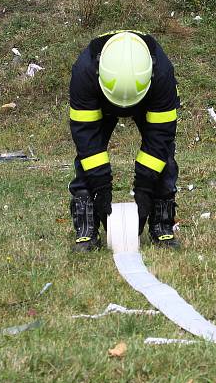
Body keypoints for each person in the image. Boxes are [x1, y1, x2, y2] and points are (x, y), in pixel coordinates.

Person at [68, 30, 180, 251]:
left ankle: (161, 224)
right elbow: (87, 140)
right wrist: (102, 190)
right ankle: (86, 226)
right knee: (87, 159)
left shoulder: (163, 75)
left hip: (147, 98)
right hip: (100, 98)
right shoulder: (84, 73)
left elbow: (160, 138)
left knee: (164, 158)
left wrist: (144, 192)